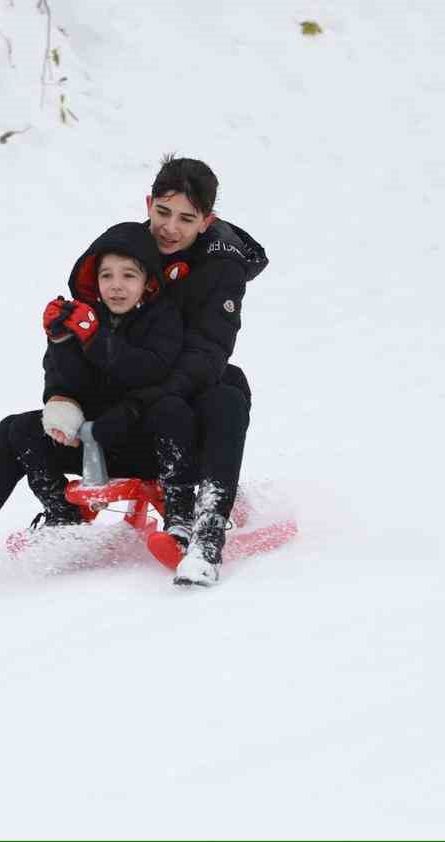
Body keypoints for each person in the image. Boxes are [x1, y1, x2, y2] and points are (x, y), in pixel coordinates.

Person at [0, 222, 194, 599]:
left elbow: (150, 370)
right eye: (107, 275)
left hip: (145, 445)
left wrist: (95, 337)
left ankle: (182, 522)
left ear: (147, 281)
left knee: (172, 411)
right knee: (15, 429)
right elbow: (65, 386)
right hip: (93, 445)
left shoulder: (163, 318)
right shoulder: (84, 318)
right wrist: (61, 343)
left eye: (128, 275)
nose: (116, 285)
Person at [132, 155, 268, 586]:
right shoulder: (129, 248)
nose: (170, 228)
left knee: (228, 390)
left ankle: (207, 530)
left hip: (184, 388)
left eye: (186, 218)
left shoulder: (222, 264)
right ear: (148, 204)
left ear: (207, 221)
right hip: (134, 391)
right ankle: (64, 516)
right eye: (163, 212)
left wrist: (160, 392)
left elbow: (211, 348)